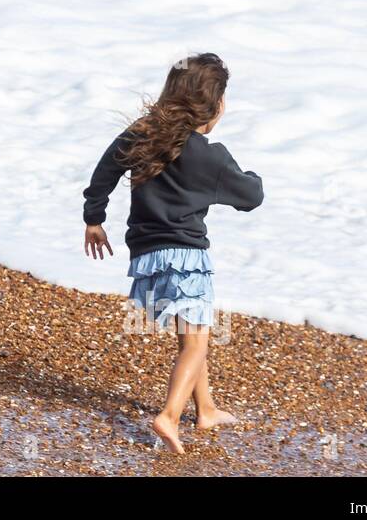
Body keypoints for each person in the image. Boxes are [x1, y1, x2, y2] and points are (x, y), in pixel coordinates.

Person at [83, 52, 263, 453]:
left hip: (145, 258)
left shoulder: (142, 133)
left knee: (189, 335)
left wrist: (94, 218)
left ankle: (207, 409)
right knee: (197, 341)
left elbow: (105, 170)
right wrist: (247, 175)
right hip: (186, 258)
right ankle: (168, 415)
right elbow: (252, 196)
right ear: (212, 106)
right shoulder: (209, 156)